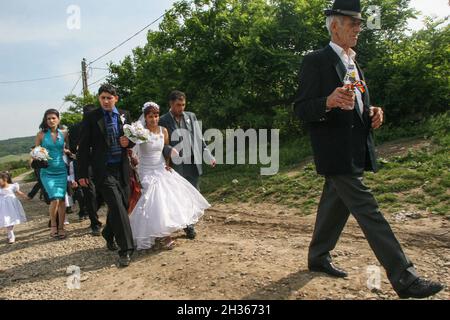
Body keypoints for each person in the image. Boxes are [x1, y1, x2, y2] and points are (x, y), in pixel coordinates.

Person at [293, 0, 443, 299]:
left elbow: (358, 102)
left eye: (360, 24)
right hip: (335, 151)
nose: (359, 28)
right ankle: (405, 278)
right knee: (369, 211)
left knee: (334, 204)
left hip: (354, 148)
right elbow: (300, 109)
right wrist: (327, 101)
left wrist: (372, 111)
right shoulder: (316, 61)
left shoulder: (354, 61)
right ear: (335, 26)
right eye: (353, 24)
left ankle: (318, 256)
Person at [130, 102, 210, 250]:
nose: (154, 119)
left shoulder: (163, 130)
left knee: (169, 199)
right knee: (154, 200)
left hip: (161, 167)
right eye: (150, 116)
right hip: (146, 170)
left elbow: (164, 148)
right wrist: (134, 161)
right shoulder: (141, 132)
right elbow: (133, 150)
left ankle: (165, 232)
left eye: (156, 116)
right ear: (145, 118)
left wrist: (168, 163)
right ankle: (163, 235)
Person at [78, 84, 135, 267]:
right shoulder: (91, 118)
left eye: (109, 98)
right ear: (99, 99)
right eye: (102, 98)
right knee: (117, 207)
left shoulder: (125, 115)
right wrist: (81, 173)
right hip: (104, 170)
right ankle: (126, 249)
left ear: (115, 98)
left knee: (124, 204)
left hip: (122, 168)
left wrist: (129, 142)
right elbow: (84, 147)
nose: (105, 101)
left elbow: (133, 139)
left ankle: (108, 233)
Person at [159, 91, 216, 240]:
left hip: (193, 160)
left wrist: (208, 155)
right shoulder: (163, 120)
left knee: (193, 192)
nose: (181, 108)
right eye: (178, 105)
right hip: (176, 164)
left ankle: (189, 221)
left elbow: (199, 138)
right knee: (179, 194)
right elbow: (160, 144)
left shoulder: (191, 116)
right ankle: (188, 226)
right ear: (171, 104)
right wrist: (169, 150)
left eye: (183, 104)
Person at [69, 106, 104, 235]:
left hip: (100, 162)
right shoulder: (75, 128)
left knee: (100, 192)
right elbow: (73, 148)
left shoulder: (102, 122)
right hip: (84, 163)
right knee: (89, 193)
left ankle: (89, 212)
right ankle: (94, 223)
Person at [35, 109, 69, 239]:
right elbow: (35, 152)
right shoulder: (40, 135)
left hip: (61, 170)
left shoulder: (65, 133)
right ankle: (53, 225)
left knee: (61, 200)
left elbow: (66, 148)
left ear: (58, 119)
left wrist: (68, 151)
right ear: (45, 120)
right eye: (48, 118)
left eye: (53, 118)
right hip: (47, 171)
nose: (51, 120)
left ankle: (61, 227)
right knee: (54, 198)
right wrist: (33, 159)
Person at [0, 172, 27, 244]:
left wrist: (26, 197)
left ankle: (10, 233)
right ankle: (11, 234)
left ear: (5, 179)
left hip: (12, 206)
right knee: (6, 220)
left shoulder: (12, 186)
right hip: (3, 207)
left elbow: (19, 192)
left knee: (11, 219)